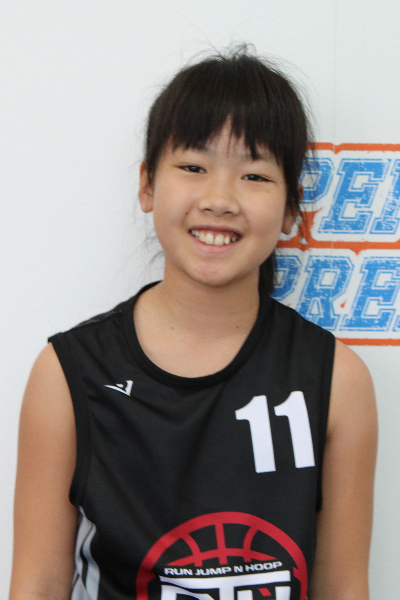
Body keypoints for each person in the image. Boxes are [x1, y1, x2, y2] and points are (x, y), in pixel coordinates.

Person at [9, 46, 377, 600]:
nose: (219, 199)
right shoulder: (68, 374)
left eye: (254, 174)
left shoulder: (337, 380)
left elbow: (343, 587)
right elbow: (37, 583)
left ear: (291, 209)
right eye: (193, 167)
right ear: (147, 184)